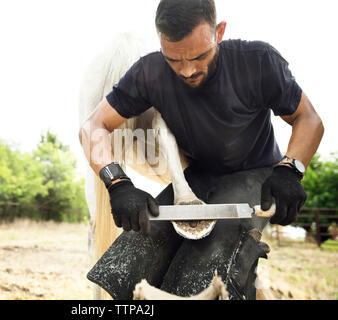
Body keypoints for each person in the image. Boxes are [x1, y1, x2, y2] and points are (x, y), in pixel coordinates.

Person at [79, 0, 324, 300]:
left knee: (205, 273)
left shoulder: (258, 61)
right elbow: (93, 126)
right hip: (198, 178)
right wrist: (117, 183)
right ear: (160, 41)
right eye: (174, 60)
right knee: (128, 263)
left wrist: (290, 169)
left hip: (254, 174)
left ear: (219, 31)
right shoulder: (149, 74)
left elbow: (309, 118)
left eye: (199, 56)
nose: (187, 70)